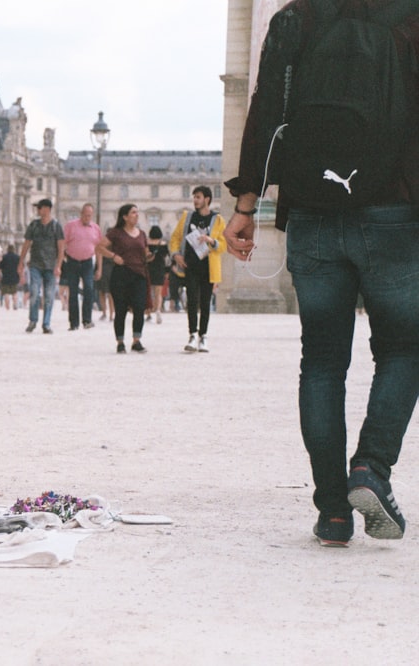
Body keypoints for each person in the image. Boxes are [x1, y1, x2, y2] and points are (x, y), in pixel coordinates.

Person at [224, 0, 419, 547]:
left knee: (323, 364)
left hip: (312, 209)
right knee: (404, 349)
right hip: (395, 212)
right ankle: (371, 470)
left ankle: (332, 511)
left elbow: (264, 112)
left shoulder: (295, 17)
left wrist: (246, 206)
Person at [170, 186, 227, 352]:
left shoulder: (217, 220)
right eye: (194, 197)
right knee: (192, 300)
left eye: (198, 197)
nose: (195, 200)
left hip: (209, 266)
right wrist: (175, 255)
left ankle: (204, 336)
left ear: (207, 199)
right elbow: (175, 238)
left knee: (205, 302)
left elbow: (223, 245)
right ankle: (193, 334)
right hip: (190, 265)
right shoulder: (187, 217)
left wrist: (211, 240)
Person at [96, 204, 150, 354]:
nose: (136, 215)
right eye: (133, 213)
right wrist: (113, 256)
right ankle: (120, 342)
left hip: (139, 274)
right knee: (121, 310)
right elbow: (99, 247)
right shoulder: (116, 233)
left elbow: (145, 252)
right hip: (121, 274)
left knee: (139, 308)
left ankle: (136, 340)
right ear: (125, 217)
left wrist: (151, 256)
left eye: (137, 212)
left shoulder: (142, 234)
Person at [19, 198, 65, 333]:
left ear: (47, 209)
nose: (38, 210)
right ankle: (33, 320)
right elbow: (26, 244)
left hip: (51, 266)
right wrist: (21, 261)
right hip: (35, 264)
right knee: (34, 291)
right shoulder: (33, 225)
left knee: (49, 295)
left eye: (40, 208)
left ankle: (46, 323)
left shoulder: (56, 226)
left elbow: (61, 247)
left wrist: (59, 265)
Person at [63, 203, 102, 330]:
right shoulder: (71, 226)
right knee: (73, 292)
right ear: (81, 214)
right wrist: (62, 260)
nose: (87, 217)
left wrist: (99, 268)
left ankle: (87, 320)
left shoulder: (96, 229)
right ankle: (73, 323)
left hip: (87, 262)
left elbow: (99, 249)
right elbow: (62, 244)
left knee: (89, 290)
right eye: (85, 215)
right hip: (72, 261)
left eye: (89, 215)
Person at [146, 225, 170, 324]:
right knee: (158, 293)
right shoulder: (163, 244)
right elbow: (167, 259)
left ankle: (148, 313)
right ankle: (158, 311)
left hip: (148, 269)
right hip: (160, 269)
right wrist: (167, 271)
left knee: (148, 292)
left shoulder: (147, 244)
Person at [0, 243, 21, 310]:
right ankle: (15, 304)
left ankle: (7, 307)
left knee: (6, 293)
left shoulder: (4, 257)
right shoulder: (17, 257)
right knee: (14, 292)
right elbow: (20, 268)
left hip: (5, 277)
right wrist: (20, 275)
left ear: (7, 249)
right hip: (15, 276)